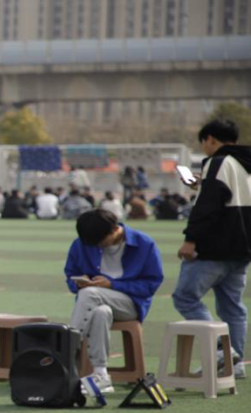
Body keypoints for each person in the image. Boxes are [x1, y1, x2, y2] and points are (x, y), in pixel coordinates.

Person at [172, 118, 251, 379]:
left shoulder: (218, 162)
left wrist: (190, 239)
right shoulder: (244, 163)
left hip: (216, 245)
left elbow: (208, 206)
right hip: (242, 246)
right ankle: (234, 365)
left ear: (210, 139)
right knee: (232, 306)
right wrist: (201, 184)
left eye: (204, 142)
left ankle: (222, 352)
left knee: (185, 296)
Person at [64, 209, 163, 396]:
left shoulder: (144, 243)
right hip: (94, 302)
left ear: (114, 230)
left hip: (130, 304)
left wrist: (112, 284)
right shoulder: (82, 243)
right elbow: (70, 276)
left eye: (100, 242)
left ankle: (65, 354)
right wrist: (78, 282)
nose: (97, 246)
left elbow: (150, 285)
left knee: (90, 294)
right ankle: (101, 375)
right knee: (100, 312)